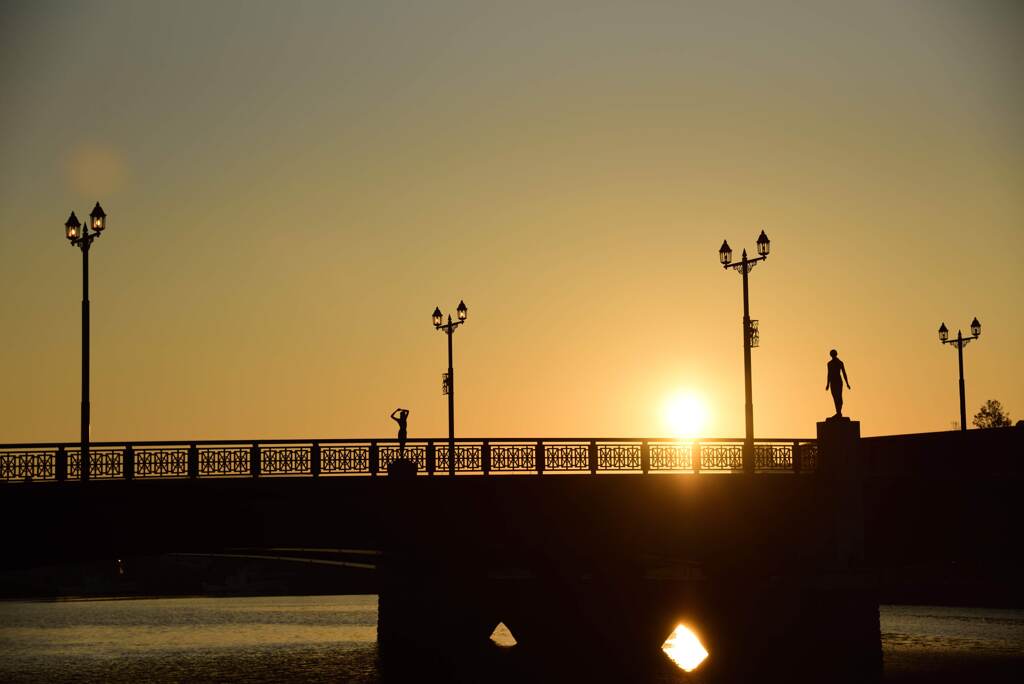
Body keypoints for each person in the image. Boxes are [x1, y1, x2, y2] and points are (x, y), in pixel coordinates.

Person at [825, 350, 851, 417]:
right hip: (832, 382)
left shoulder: (840, 363)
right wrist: (827, 384)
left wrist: (847, 383)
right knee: (835, 397)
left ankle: (839, 412)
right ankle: (838, 412)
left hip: (838, 381)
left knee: (839, 397)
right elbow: (829, 374)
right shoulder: (829, 363)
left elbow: (844, 373)